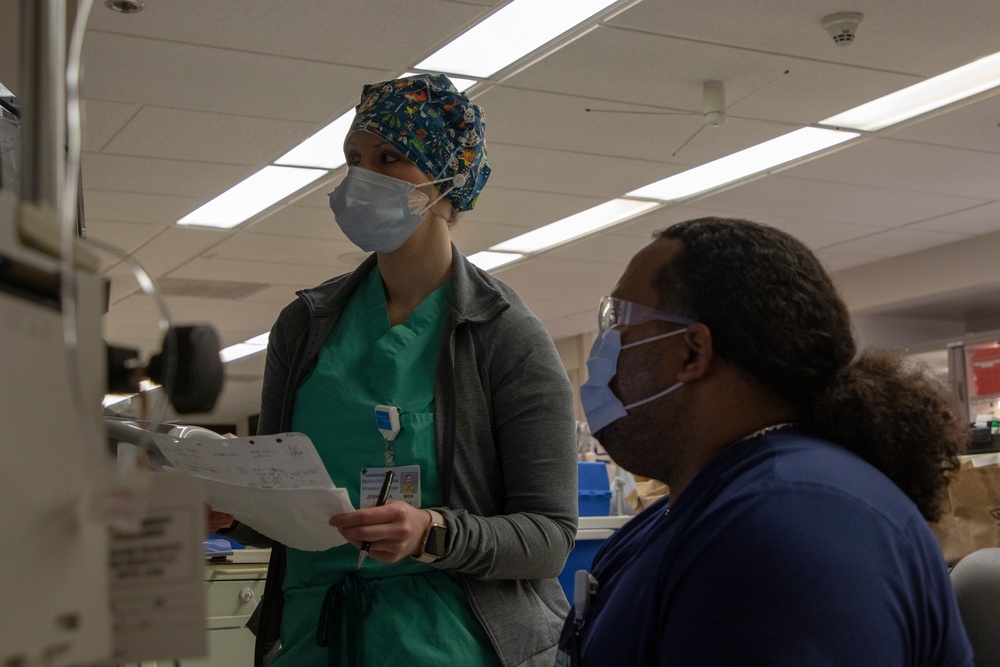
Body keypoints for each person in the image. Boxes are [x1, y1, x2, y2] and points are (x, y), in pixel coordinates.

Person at [215, 74, 578, 666]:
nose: (362, 177)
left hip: (450, 639)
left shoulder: (507, 337)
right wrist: (241, 511)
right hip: (317, 636)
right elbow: (289, 506)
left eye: (389, 157)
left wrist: (432, 531)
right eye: (353, 159)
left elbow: (549, 537)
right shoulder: (305, 326)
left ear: (446, 179)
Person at [557, 217, 973, 666]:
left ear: (692, 351)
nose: (605, 348)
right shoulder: (701, 504)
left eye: (618, 321)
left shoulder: (789, 525)